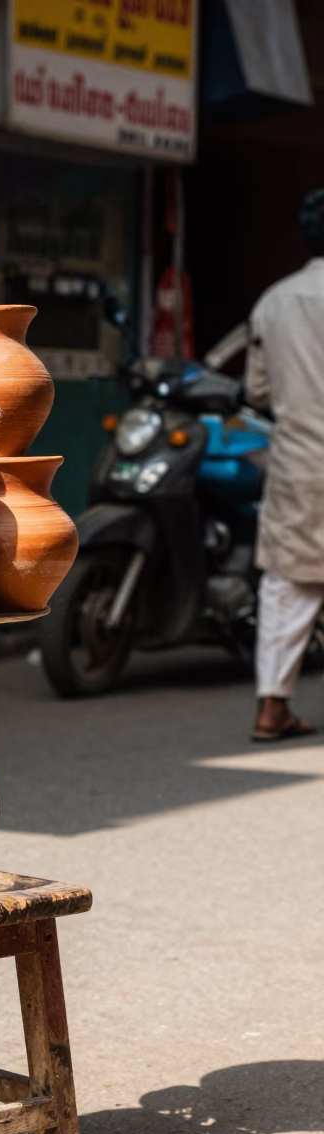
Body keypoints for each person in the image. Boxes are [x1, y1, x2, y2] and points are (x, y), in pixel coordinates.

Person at [246, 189, 324, 741]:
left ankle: (272, 707)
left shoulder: (274, 301)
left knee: (287, 583)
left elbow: (256, 388)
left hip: (299, 460)